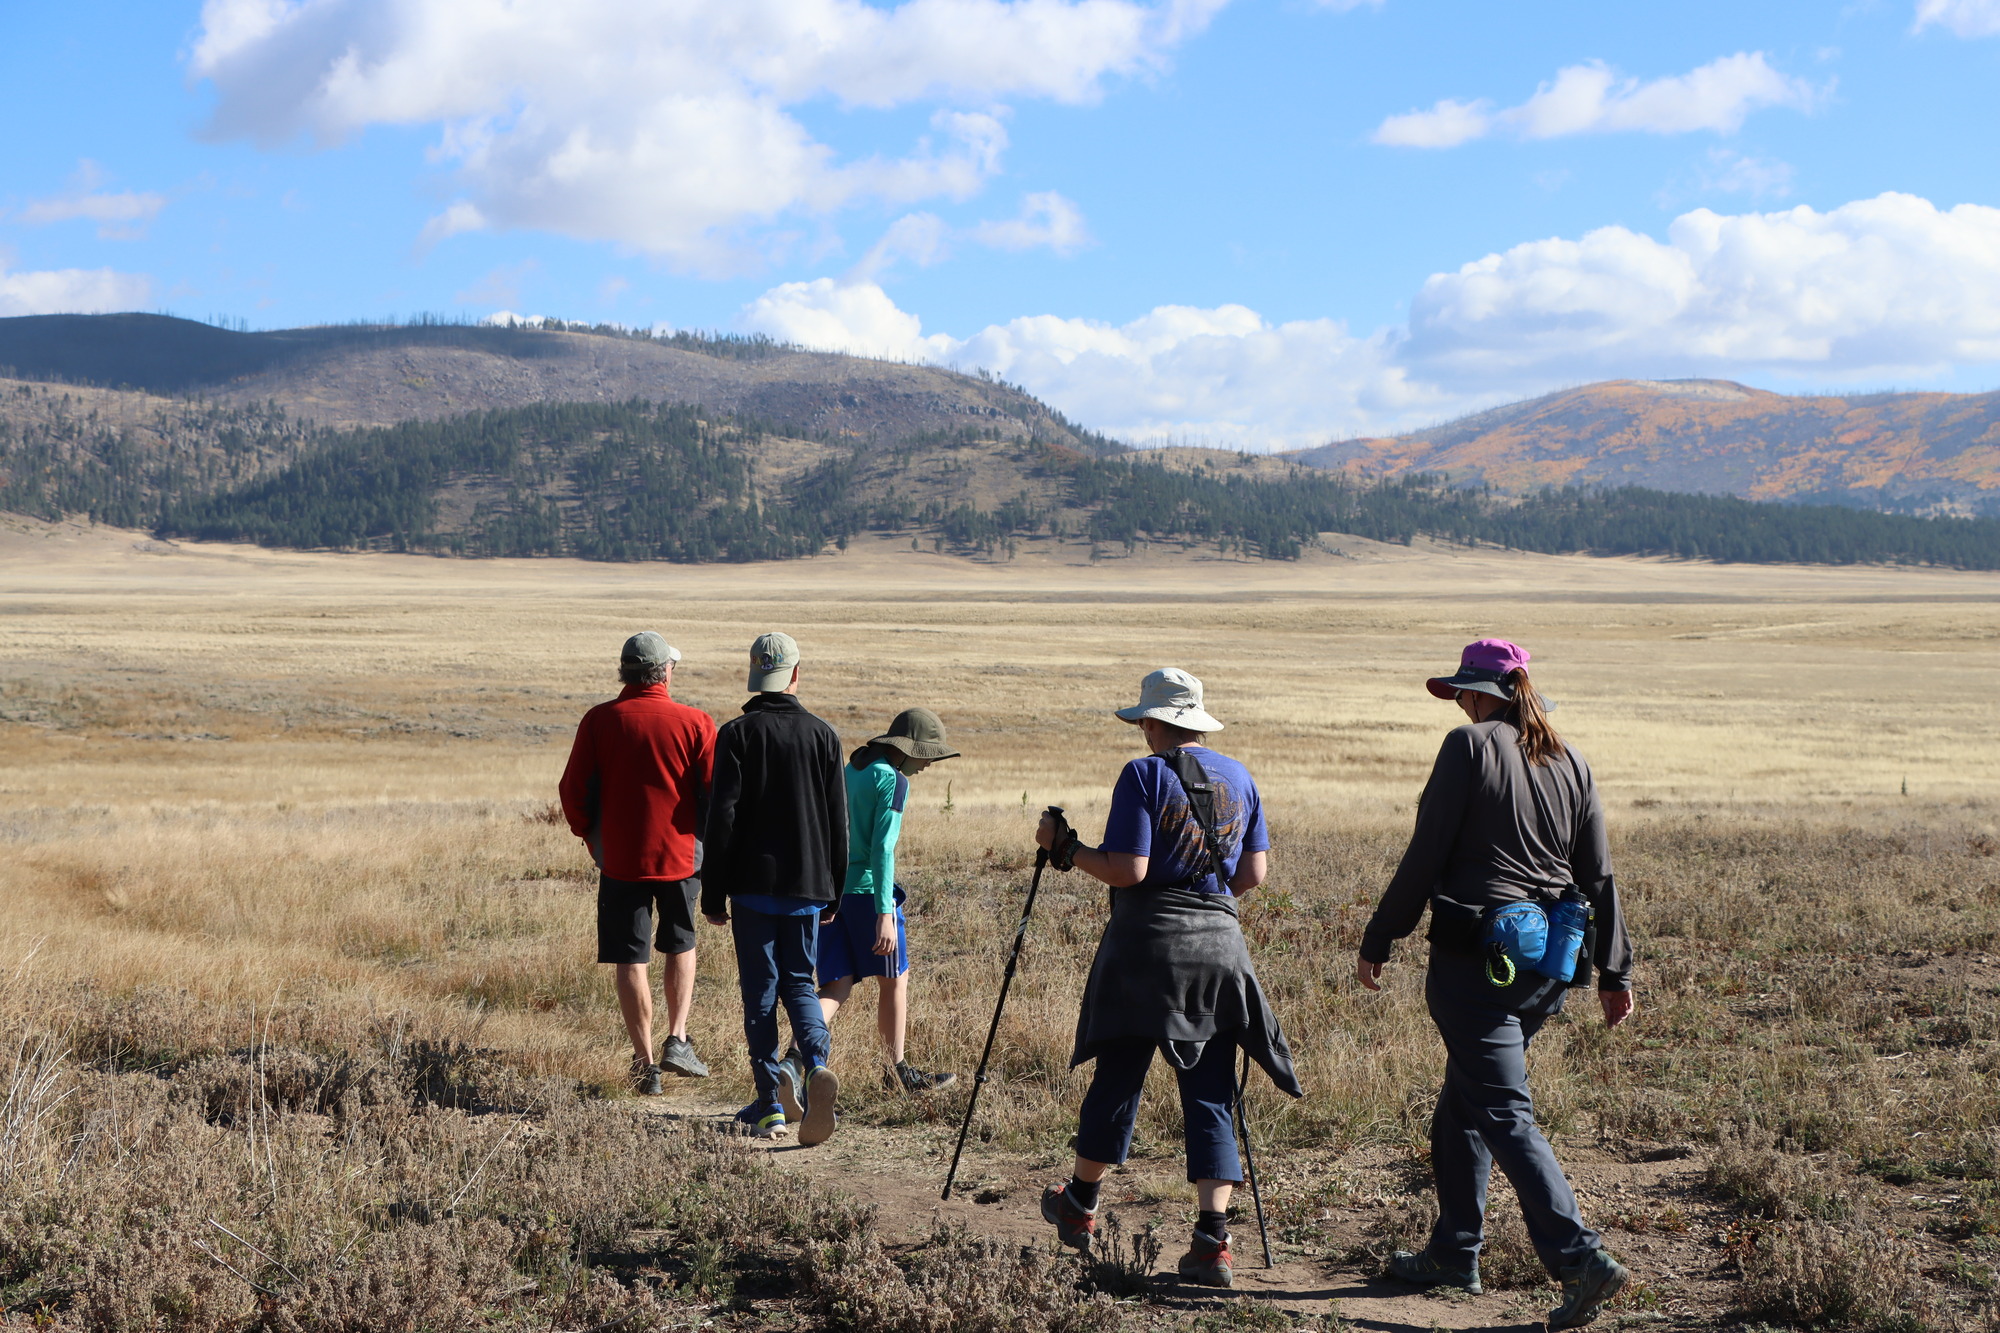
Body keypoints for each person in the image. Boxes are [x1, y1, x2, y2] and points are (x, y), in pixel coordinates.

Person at [1355, 638, 1637, 1330]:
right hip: (1546, 970)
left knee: (1503, 1109)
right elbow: (1598, 878)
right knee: (1465, 1105)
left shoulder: (1469, 748)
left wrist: (1381, 934)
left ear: (1482, 694)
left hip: (1475, 964)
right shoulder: (1572, 761)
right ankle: (1456, 1250)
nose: (1458, 705)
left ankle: (1579, 1256)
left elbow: (1427, 851)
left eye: (1461, 694)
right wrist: (1614, 969)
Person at [1034, 667, 1300, 1290]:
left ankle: (1079, 1203)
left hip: (1145, 955)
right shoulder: (1240, 776)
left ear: (1155, 723)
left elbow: (1128, 869)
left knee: (1119, 1074)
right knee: (1210, 1092)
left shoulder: (1144, 773)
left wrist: (1065, 849)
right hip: (1221, 955)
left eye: (1143, 722)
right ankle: (1212, 1243)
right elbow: (1254, 874)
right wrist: (1204, 907)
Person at [700, 632, 847, 1144]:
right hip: (809, 884)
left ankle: (770, 1108)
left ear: (755, 675)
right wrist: (835, 890)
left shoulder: (737, 734)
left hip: (751, 887)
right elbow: (837, 821)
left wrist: (712, 892)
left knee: (760, 994)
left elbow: (722, 819)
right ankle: (814, 1066)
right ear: (796, 675)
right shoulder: (824, 735)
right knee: (801, 983)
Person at [558, 631, 717, 1093]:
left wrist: (589, 834)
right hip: (681, 856)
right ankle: (678, 1037)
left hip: (621, 858)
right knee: (681, 944)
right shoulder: (696, 723)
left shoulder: (599, 721)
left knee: (631, 956)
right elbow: (714, 793)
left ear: (624, 672)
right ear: (665, 671)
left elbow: (572, 791)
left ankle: (645, 1064)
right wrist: (705, 839)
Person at [812, 707, 960, 1093]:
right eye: (928, 754)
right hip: (867, 894)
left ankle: (795, 1063)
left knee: (835, 985)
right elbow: (883, 851)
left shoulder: (854, 770)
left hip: (832, 891)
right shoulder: (893, 781)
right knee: (895, 979)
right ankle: (897, 1073)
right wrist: (884, 913)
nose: (929, 764)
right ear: (909, 749)